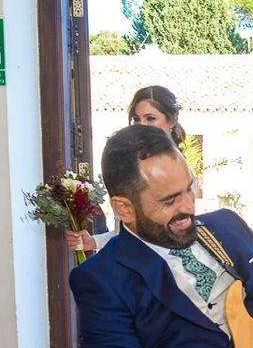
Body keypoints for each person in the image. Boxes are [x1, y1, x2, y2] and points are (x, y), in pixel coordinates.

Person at [69, 124, 253, 348]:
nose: (189, 207)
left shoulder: (228, 225)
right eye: (169, 201)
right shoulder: (101, 280)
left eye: (190, 188)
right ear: (125, 209)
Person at [66, 85, 185, 252]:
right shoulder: (129, 165)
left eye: (150, 118)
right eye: (136, 119)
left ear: (171, 121)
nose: (141, 125)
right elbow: (125, 233)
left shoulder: (178, 172)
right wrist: (93, 242)